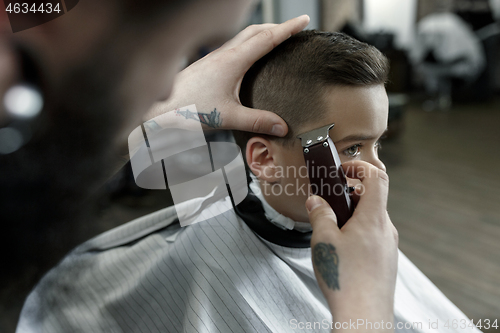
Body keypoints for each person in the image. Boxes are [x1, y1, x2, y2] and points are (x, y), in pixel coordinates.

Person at [17, 30, 477, 333]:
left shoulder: (370, 237)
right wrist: (364, 308)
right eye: (353, 148)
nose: (378, 172)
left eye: (378, 145)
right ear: (263, 158)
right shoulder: (181, 260)